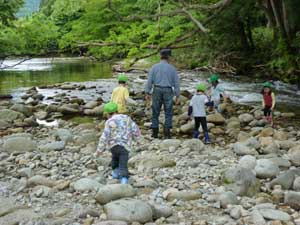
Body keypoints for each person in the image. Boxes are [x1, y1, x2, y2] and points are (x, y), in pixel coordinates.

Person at [95, 102, 141, 184]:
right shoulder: (127, 118)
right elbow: (135, 130)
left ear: (108, 114)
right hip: (125, 146)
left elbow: (104, 137)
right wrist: (138, 140)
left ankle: (115, 173)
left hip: (113, 146)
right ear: (116, 110)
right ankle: (124, 179)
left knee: (115, 158)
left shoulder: (109, 122)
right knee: (123, 163)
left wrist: (99, 150)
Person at [145, 48, 180, 139]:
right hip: (168, 90)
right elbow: (176, 82)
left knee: (155, 111)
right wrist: (177, 95)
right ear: (168, 57)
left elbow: (149, 81)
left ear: (160, 56)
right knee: (168, 112)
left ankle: (155, 132)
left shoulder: (154, 67)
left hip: (157, 89)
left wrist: (147, 92)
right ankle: (167, 133)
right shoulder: (172, 68)